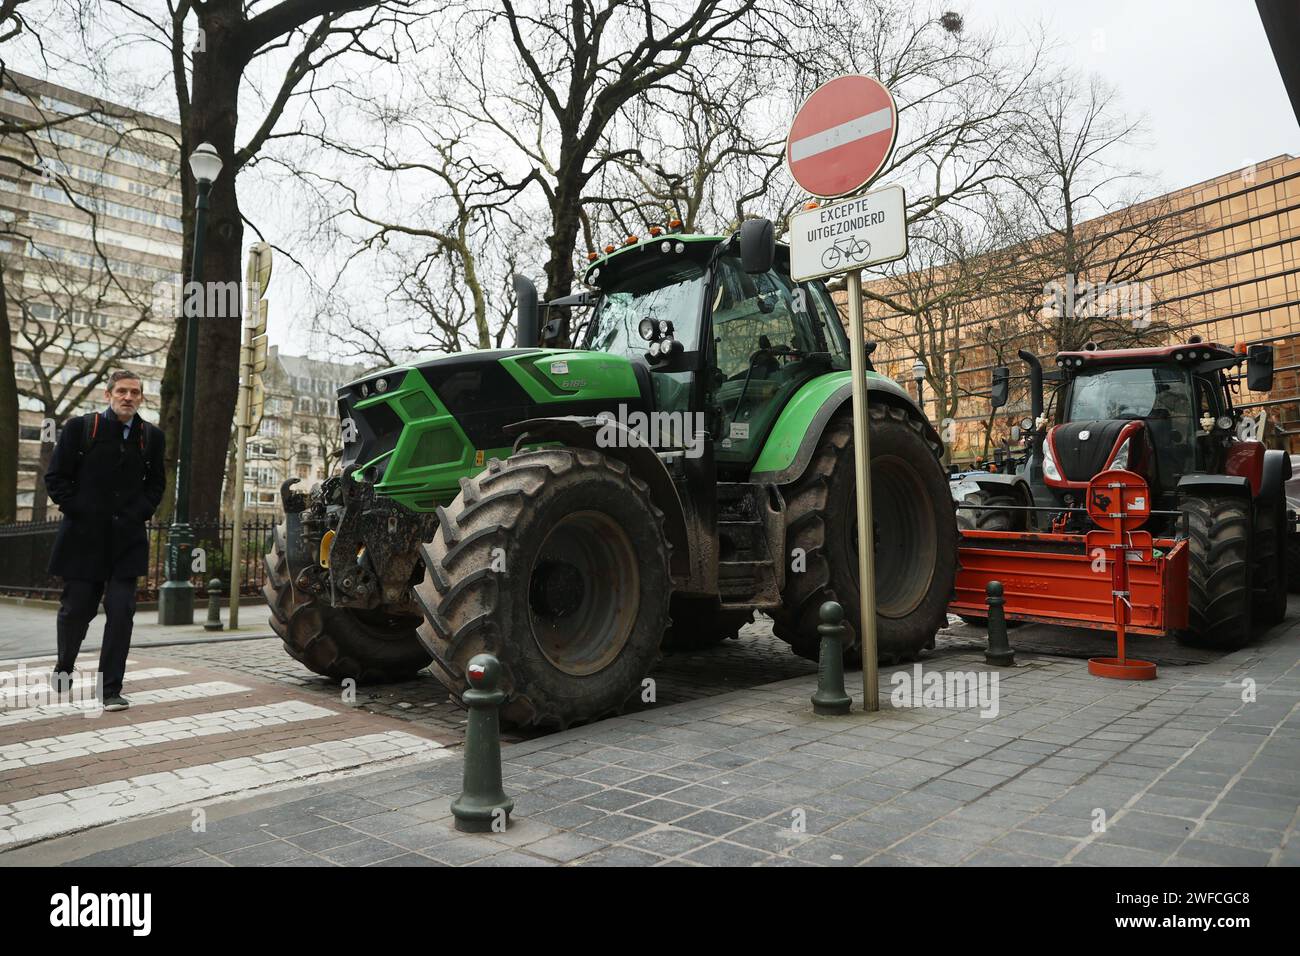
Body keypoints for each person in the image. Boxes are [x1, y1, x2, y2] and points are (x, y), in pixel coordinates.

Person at [44, 371, 165, 711]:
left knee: (121, 611)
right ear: (108, 394)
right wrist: (80, 509)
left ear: (141, 398)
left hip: (126, 541)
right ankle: (64, 665)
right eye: (122, 391)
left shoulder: (151, 437)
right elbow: (55, 478)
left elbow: (156, 484)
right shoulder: (81, 429)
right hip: (84, 539)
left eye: (135, 392)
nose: (128, 397)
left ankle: (110, 689)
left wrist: (139, 511)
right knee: (76, 611)